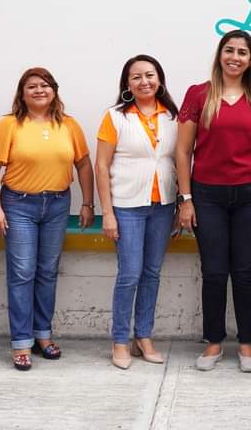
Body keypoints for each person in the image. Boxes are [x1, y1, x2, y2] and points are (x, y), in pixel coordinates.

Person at [175, 30, 251, 373]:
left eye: (242, 52)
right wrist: (185, 199)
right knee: (215, 272)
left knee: (245, 273)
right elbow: (183, 150)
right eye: (229, 50)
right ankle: (214, 342)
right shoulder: (199, 94)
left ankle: (247, 343)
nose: (235, 57)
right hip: (207, 195)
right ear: (220, 55)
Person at [0, 67, 95, 371]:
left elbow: (84, 164)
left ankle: (42, 335)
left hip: (57, 204)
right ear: (22, 93)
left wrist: (87, 203)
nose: (38, 90)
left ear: (54, 90)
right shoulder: (9, 125)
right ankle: (21, 342)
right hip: (18, 205)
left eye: (44, 85)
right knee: (22, 272)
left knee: (47, 271)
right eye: (31, 86)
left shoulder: (69, 125)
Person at [95, 54, 179, 370]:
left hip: (163, 206)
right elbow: (101, 165)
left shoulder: (172, 115)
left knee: (152, 273)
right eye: (136, 77)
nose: (144, 81)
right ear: (127, 83)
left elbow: (179, 158)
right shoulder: (115, 116)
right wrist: (108, 212)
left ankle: (143, 336)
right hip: (126, 207)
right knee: (129, 274)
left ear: (159, 79)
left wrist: (183, 202)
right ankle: (120, 340)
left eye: (149, 75)